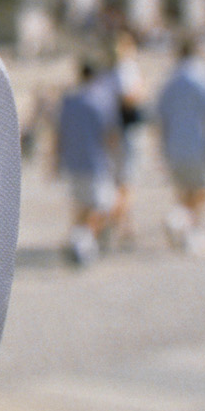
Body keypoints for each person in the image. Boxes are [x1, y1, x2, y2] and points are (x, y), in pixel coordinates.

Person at [155, 35, 205, 256]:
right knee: (204, 189)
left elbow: (161, 118)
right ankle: (182, 220)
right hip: (199, 142)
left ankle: (187, 228)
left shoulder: (169, 79)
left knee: (184, 190)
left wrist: (161, 148)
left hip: (174, 145)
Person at [51, 61, 122, 266]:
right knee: (100, 206)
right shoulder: (102, 100)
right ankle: (81, 242)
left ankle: (79, 241)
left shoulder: (69, 101)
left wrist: (55, 160)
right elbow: (111, 134)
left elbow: (59, 133)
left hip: (73, 162)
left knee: (81, 206)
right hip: (96, 161)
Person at [106, 28, 147, 249]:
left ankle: (124, 225)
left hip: (115, 131)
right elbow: (129, 97)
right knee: (126, 183)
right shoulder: (126, 69)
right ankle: (104, 223)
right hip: (127, 130)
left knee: (119, 180)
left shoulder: (110, 70)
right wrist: (142, 92)